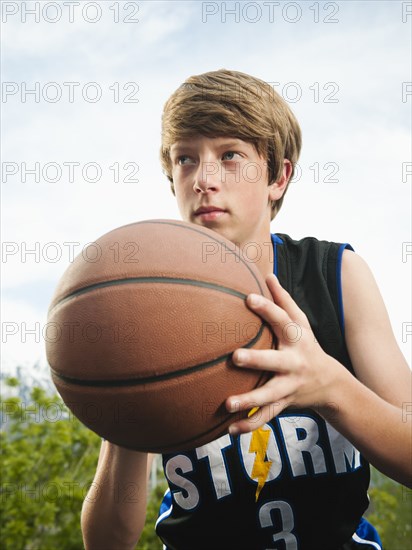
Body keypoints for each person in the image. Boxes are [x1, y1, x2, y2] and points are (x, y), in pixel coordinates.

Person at [81, 69, 411, 550]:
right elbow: (107, 543)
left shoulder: (334, 274)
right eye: (186, 159)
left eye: (230, 155)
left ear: (278, 176)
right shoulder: (144, 309)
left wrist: (330, 386)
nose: (203, 179)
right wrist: (129, 409)